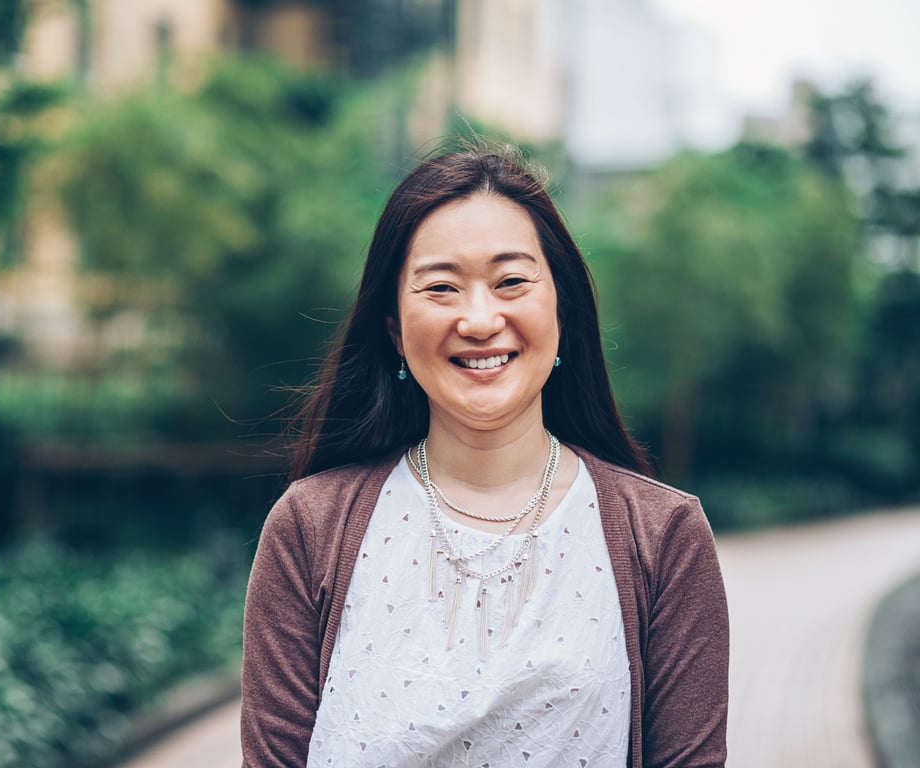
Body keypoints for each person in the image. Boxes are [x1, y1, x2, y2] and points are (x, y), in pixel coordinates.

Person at [240, 145, 729, 768]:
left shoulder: (662, 540)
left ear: (562, 312)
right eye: (441, 286)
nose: (478, 319)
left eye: (511, 282)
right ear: (395, 327)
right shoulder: (310, 529)